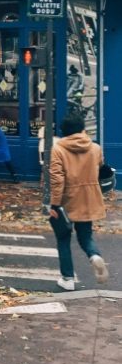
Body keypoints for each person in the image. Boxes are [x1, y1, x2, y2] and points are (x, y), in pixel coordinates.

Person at [48, 113, 110, 291]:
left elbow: (57, 180)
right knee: (85, 236)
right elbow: (100, 168)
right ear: (82, 129)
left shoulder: (58, 149)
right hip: (89, 198)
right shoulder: (95, 148)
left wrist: (55, 205)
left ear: (64, 131)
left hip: (67, 199)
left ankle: (67, 279)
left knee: (63, 238)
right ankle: (95, 256)